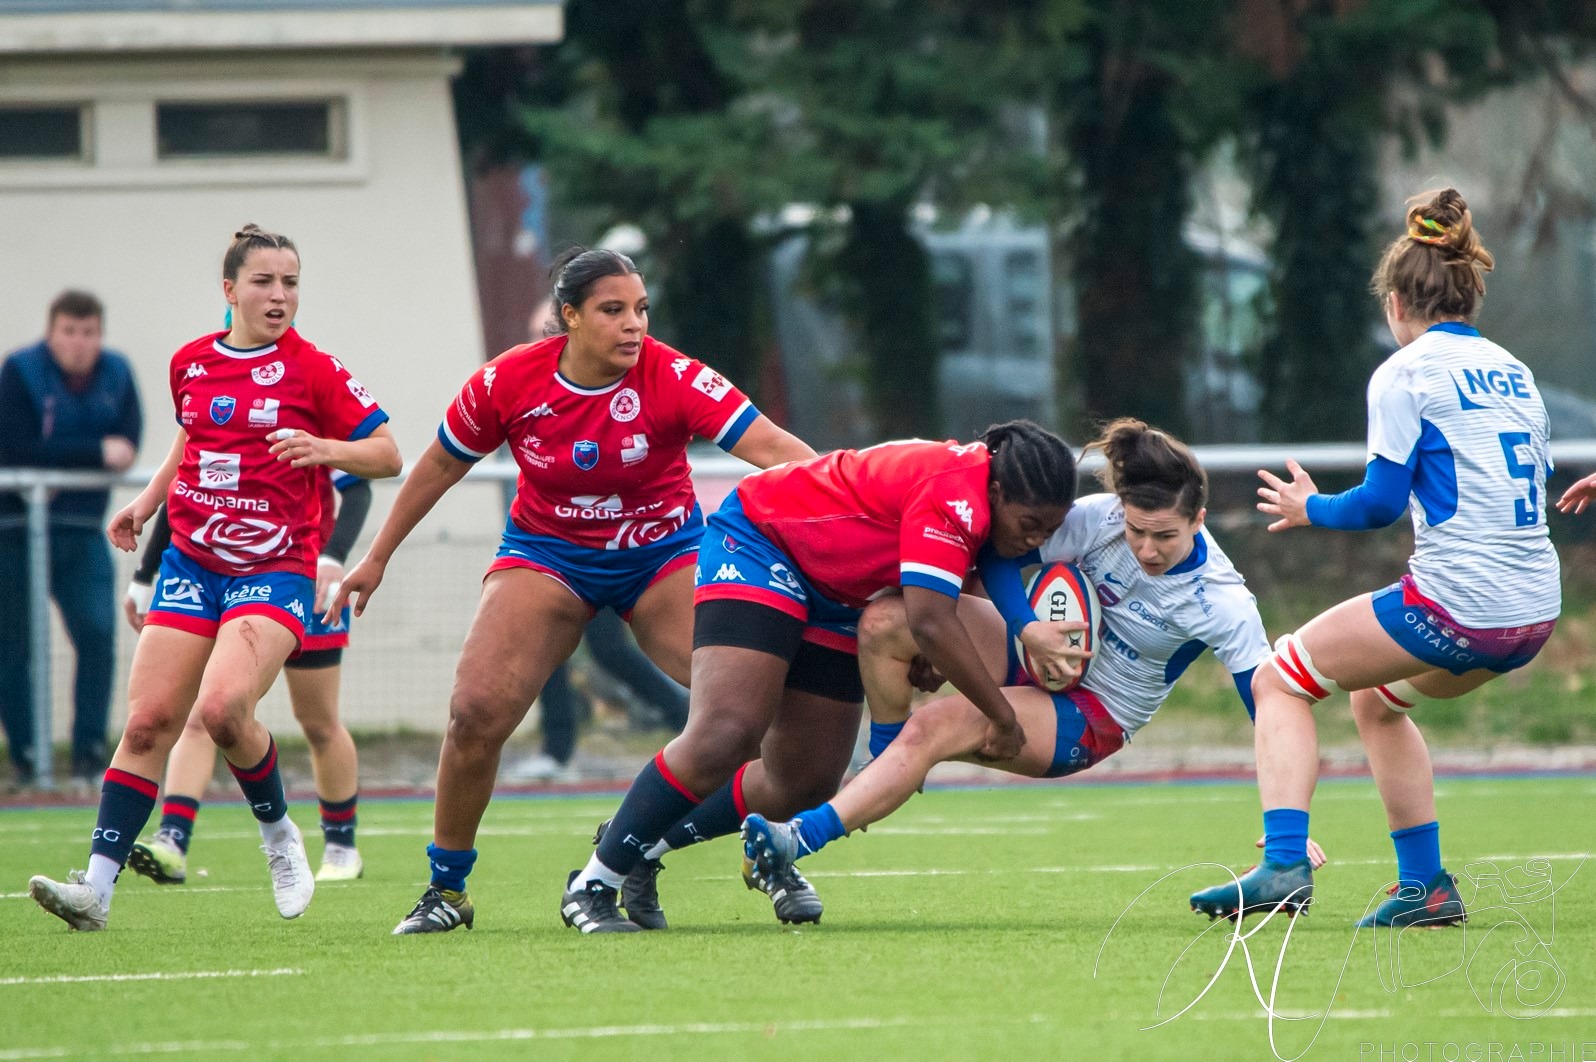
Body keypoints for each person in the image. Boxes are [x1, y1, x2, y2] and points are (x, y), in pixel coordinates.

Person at [329, 246, 814, 935]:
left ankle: (696, 846)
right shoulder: (507, 381)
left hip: (663, 554)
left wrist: (862, 493)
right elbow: (437, 465)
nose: (633, 326)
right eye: (613, 311)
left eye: (641, 310)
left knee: (747, 719)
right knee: (475, 715)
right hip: (548, 555)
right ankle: (447, 890)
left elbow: (774, 449)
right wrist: (375, 557)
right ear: (569, 318)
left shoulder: (674, 375)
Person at [741, 420, 1324, 918]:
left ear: (1199, 518)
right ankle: (889, 764)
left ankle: (797, 839)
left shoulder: (1222, 601)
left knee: (935, 728)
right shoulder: (1099, 519)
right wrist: (1025, 627)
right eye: (1136, 531)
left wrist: (1288, 829)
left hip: (1089, 712)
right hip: (1031, 655)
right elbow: (998, 556)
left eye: (1164, 537)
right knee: (886, 619)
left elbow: (1268, 709)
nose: (1146, 549)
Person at [1185, 188, 1560, 928]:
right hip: (1534, 613)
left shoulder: (1406, 371)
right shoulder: (1516, 371)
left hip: (1461, 604)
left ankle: (1284, 864)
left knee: (1279, 680)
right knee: (1376, 700)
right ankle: (1427, 888)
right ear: (1468, 292)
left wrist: (1308, 508)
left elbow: (1380, 503)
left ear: (1395, 303)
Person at [26, 224, 401, 932]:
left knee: (224, 710)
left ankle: (281, 838)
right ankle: (95, 892)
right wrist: (148, 500)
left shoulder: (315, 369)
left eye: (291, 282)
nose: (280, 295)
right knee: (146, 723)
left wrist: (325, 447)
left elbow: (388, 454)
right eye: (264, 281)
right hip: (192, 562)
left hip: (276, 568)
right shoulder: (190, 362)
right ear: (229, 290)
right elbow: (193, 439)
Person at [561, 422, 1078, 934]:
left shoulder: (984, 494)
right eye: (1029, 523)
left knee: (805, 779)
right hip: (762, 543)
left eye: (1048, 532)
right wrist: (1000, 716)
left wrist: (963, 642)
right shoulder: (951, 489)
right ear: (997, 489)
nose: (1034, 540)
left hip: (839, 593)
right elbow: (930, 619)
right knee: (728, 731)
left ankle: (641, 842)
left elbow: (967, 585)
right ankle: (593, 884)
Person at [120, 466, 373, 883]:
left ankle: (341, 846)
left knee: (318, 721)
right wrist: (145, 576)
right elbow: (183, 490)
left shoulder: (310, 408)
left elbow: (359, 485)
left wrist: (332, 557)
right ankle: (172, 840)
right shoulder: (213, 412)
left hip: (299, 579)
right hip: (229, 586)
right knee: (205, 713)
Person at [0, 291, 143, 788]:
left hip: (82, 530)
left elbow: (128, 445)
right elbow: (17, 447)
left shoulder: (117, 374)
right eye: (68, 331)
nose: (78, 343)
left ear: (99, 334)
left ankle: (88, 753)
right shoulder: (19, 372)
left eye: (88, 333)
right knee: (14, 644)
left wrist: (61, 459)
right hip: (16, 530)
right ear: (51, 331)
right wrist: (92, 452)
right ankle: (26, 755)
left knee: (98, 635)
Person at [502, 607, 689, 783]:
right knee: (547, 643)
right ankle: (556, 752)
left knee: (608, 648)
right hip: (557, 574)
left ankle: (685, 717)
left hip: (599, 572)